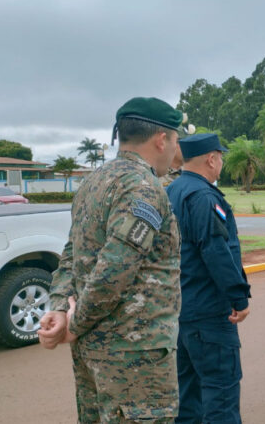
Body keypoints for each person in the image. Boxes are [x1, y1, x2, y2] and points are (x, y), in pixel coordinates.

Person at [37, 97, 186, 422]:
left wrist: (60, 306)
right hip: (135, 358)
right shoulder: (143, 189)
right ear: (162, 139)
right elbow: (116, 268)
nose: (175, 150)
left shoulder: (93, 182)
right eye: (175, 140)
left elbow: (71, 254)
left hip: (92, 353)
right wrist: (72, 323)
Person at [166, 133, 252, 423]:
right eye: (221, 157)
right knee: (221, 395)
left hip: (181, 309)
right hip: (208, 312)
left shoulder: (172, 191)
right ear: (211, 159)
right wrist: (238, 297)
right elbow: (216, 251)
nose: (222, 163)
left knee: (188, 395)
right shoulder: (204, 197)